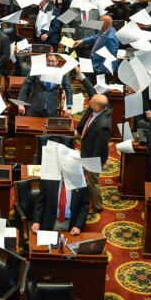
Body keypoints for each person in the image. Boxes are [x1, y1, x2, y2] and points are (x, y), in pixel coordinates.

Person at [74, 67, 111, 213]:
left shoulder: (103, 125)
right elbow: (91, 90)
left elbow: (99, 148)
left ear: (96, 107)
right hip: (89, 150)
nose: (89, 102)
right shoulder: (101, 106)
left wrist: (89, 164)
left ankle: (97, 206)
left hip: (94, 157)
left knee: (93, 182)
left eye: (91, 103)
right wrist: (80, 74)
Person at [17, 53, 74, 118]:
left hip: (51, 109)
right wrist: (20, 103)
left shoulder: (61, 73)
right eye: (48, 61)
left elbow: (68, 89)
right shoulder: (37, 69)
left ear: (57, 62)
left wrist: (69, 106)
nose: (50, 63)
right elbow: (26, 84)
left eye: (52, 61)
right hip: (34, 107)